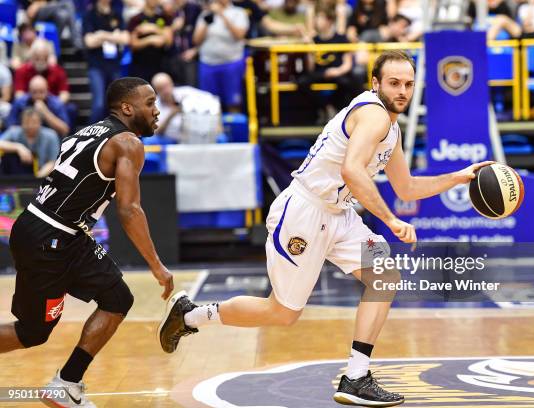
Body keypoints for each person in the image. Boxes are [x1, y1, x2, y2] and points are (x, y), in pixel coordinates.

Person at [158, 51, 492, 407]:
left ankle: (356, 376)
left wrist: (456, 179)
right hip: (304, 211)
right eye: (394, 83)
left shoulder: (390, 128)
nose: (402, 91)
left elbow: (407, 187)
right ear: (375, 84)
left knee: (385, 276)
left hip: (338, 213)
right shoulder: (374, 115)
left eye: (409, 84)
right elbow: (352, 170)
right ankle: (191, 314)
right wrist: (391, 220)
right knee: (282, 313)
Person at [0, 77, 174, 408]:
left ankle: (66, 384)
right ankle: (64, 385)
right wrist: (157, 265)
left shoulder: (86, 132)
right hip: (49, 235)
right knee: (32, 333)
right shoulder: (127, 143)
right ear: (127, 107)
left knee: (117, 298)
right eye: (149, 103)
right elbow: (129, 209)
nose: (156, 110)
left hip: (56, 231)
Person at [193, 0, 249, 112]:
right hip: (208, 64)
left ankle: (234, 128)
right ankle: (215, 129)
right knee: (209, 104)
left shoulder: (239, 12)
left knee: (233, 102)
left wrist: (222, 15)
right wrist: (209, 18)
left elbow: (239, 35)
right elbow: (196, 40)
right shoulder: (205, 14)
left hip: (231, 64)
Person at [83, 0, 130, 122]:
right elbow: (89, 42)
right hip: (96, 65)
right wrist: (113, 36)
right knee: (98, 103)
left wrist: (101, 34)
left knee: (117, 102)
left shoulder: (116, 14)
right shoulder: (90, 15)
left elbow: (125, 39)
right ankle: (91, 135)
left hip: (114, 65)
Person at [0, 108, 60, 177]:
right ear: (21, 123)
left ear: (40, 122)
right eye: (27, 122)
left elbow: (53, 161)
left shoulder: (51, 135)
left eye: (34, 122)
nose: (30, 125)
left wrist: (37, 179)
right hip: (15, 175)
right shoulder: (14, 131)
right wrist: (18, 147)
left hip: (42, 175)